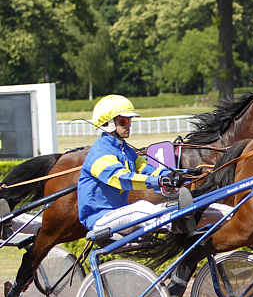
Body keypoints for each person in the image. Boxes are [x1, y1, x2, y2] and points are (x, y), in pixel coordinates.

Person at [77, 94, 228, 237]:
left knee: (169, 206)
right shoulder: (99, 153)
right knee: (141, 207)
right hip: (99, 219)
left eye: (130, 121)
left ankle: (229, 216)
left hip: (120, 215)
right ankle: (183, 228)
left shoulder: (125, 150)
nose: (129, 125)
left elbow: (149, 170)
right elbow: (122, 179)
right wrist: (159, 181)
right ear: (107, 123)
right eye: (123, 121)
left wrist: (184, 173)